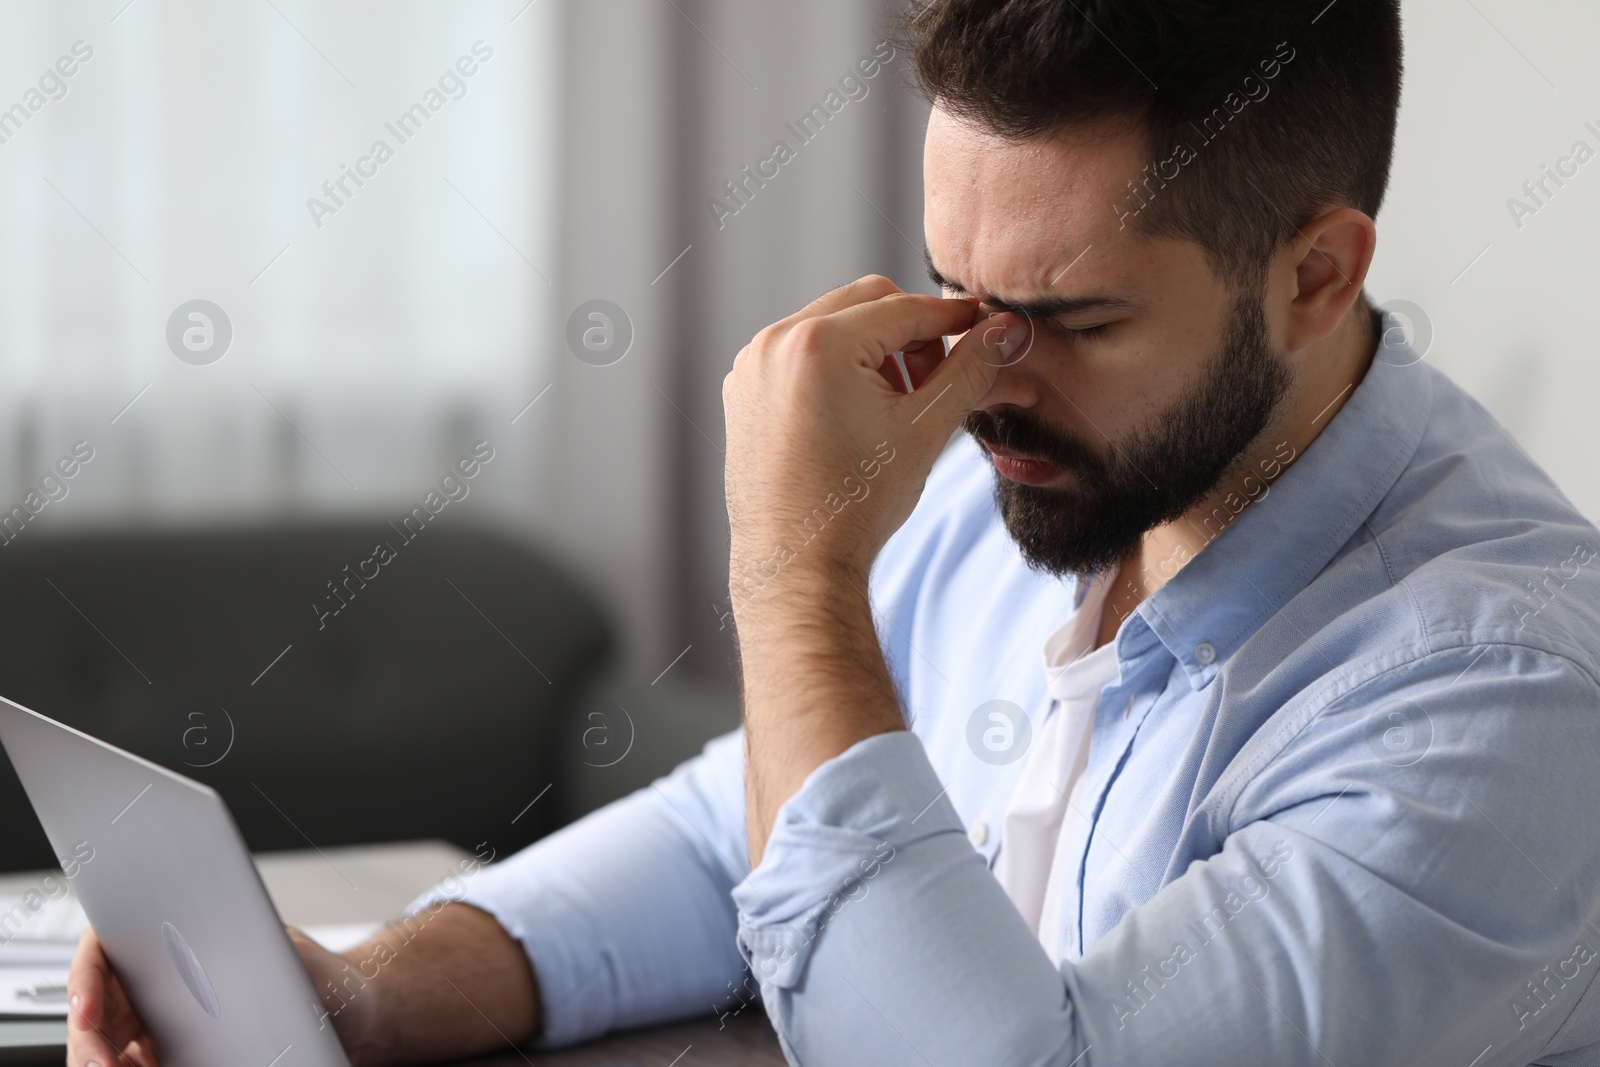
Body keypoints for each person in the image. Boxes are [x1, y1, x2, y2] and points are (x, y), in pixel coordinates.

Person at [69, 0, 1600, 1064]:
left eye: (1072, 317)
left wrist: (793, 571)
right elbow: (746, 829)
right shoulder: (1061, 472)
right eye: (959, 287)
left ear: (1317, 277)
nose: (983, 376)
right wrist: (365, 995)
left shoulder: (1499, 702)